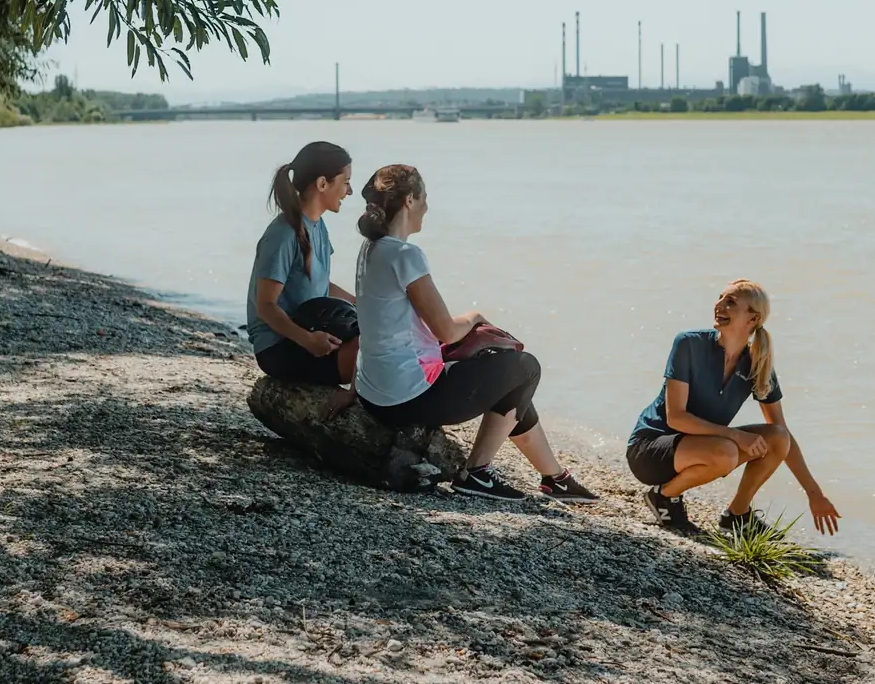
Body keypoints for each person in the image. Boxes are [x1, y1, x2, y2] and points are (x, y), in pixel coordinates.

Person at [352, 163, 596, 503]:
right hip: (407, 398)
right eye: (424, 198)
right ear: (409, 200)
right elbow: (447, 331)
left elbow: (377, 325)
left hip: (374, 392)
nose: (427, 207)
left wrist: (352, 388)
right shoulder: (405, 255)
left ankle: (555, 477)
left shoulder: (371, 250)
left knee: (507, 382)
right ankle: (477, 472)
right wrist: (474, 317)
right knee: (525, 367)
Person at [627, 281, 840, 538]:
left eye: (731, 302)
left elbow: (784, 435)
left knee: (777, 437)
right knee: (726, 451)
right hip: (649, 450)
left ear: (753, 318)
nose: (719, 305)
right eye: (720, 298)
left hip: (704, 448)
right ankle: (663, 497)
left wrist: (814, 494)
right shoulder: (688, 344)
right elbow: (677, 418)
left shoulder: (757, 364)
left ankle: (737, 515)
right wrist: (736, 435)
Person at [247, 142, 359, 393]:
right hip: (279, 347)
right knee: (370, 352)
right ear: (322, 183)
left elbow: (321, 284)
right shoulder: (282, 235)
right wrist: (308, 341)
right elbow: (266, 306)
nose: (349, 191)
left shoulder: (317, 226)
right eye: (346, 182)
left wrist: (361, 304)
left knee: (382, 337)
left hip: (310, 328)